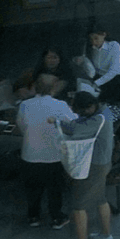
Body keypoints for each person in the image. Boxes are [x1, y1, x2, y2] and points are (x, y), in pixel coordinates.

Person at [61, 90, 116, 239]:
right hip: (105, 162)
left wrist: (57, 121)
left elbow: (75, 129)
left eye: (81, 111)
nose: (79, 114)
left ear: (90, 106)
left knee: (77, 205)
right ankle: (106, 234)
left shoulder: (96, 119)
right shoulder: (104, 111)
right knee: (100, 199)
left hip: (93, 165)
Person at [18, 73, 75, 228]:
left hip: (30, 155)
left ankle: (33, 216)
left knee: (33, 188)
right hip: (53, 155)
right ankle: (57, 217)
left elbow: (22, 126)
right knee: (54, 188)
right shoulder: (60, 105)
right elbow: (73, 123)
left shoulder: (24, 105)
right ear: (54, 88)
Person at [73, 27, 120, 101]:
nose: (94, 42)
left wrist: (97, 83)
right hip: (98, 79)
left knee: (114, 105)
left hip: (113, 80)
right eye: (91, 40)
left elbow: (114, 69)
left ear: (104, 34)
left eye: (96, 38)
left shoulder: (114, 45)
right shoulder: (90, 49)